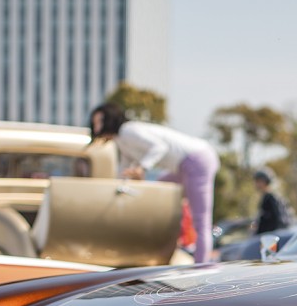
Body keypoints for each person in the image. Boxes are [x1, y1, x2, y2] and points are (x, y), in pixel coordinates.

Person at [89, 102, 220, 263]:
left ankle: (202, 267)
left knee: (201, 221)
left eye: (98, 122)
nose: (96, 128)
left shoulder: (128, 131)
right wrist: (117, 188)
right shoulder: (121, 141)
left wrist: (142, 167)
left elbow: (159, 147)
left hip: (197, 160)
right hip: (180, 167)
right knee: (160, 190)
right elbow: (124, 169)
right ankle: (168, 246)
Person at [252, 168, 290, 234]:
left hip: (270, 238)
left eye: (258, 181)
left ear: (264, 181)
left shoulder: (271, 198)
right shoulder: (266, 198)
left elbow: (277, 221)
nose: (255, 184)